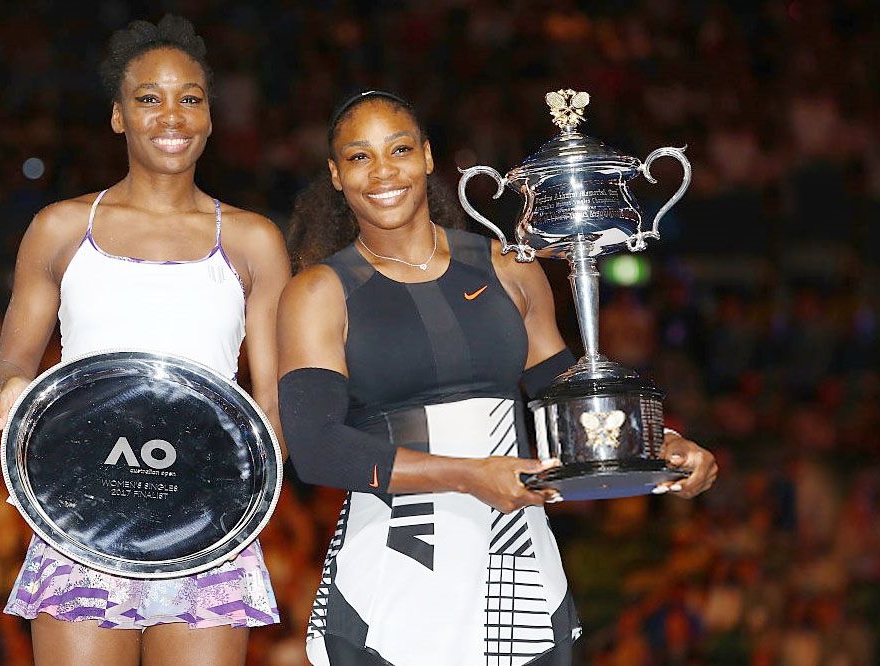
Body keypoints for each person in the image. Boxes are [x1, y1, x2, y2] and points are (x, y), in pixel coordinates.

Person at [276, 90, 718, 666]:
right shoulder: (318, 292)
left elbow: (566, 391)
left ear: (428, 158)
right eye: (359, 157)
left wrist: (661, 442)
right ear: (336, 175)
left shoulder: (509, 266)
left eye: (400, 149)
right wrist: (468, 476)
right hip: (395, 575)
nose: (383, 171)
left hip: (520, 565)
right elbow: (317, 448)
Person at [0, 16, 289, 666]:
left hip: (207, 526)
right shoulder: (59, 228)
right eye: (148, 98)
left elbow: (272, 400)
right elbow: (7, 363)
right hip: (81, 519)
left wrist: (242, 487)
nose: (170, 115)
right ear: (119, 116)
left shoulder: (253, 239)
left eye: (189, 98)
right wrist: (12, 393)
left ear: (209, 116)